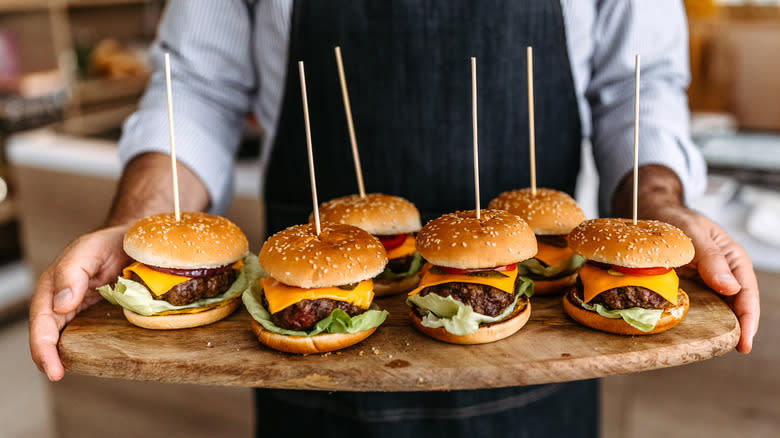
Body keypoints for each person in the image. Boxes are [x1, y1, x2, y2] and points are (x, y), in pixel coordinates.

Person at [30, 1, 759, 436]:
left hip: (544, 365)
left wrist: (660, 210)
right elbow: (193, 82)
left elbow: (638, 83)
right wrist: (141, 233)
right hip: (313, 383)